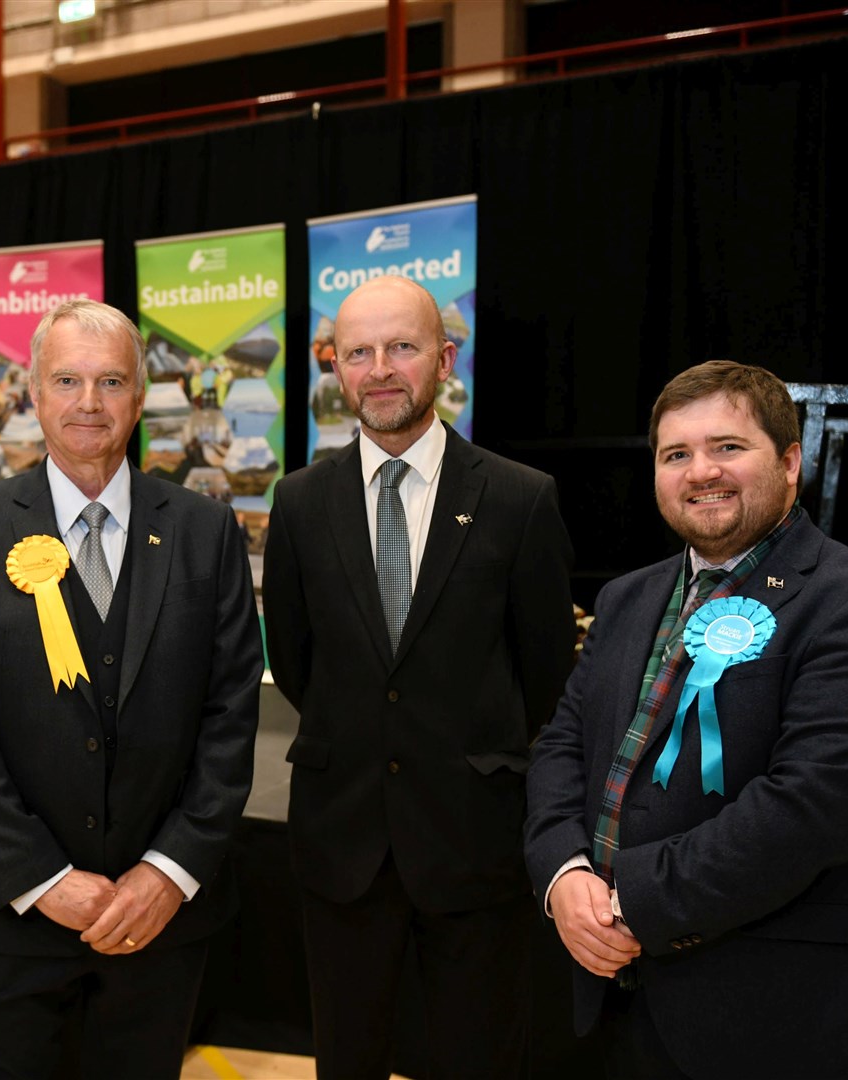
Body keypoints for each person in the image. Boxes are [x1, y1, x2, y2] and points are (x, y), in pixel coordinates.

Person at [525, 360, 848, 1079]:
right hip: (618, 1007)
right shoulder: (627, 598)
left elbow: (808, 811)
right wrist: (563, 875)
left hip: (780, 1023)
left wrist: (629, 905)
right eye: (675, 454)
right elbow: (562, 743)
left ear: (790, 462)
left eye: (727, 447)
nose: (700, 471)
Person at [0, 298, 262, 1078]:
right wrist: (42, 880)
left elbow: (231, 713)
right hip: (5, 917)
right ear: (32, 392)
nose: (88, 403)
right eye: (66, 380)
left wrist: (167, 872)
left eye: (111, 382)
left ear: (141, 398)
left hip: (158, 924)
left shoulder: (206, 532)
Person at [262, 275, 577, 1079]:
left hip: (475, 837)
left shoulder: (519, 498)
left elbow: (544, 670)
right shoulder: (298, 503)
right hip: (342, 840)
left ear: (445, 357)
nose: (379, 369)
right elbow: (297, 663)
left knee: (480, 1056)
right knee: (348, 1055)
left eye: (401, 347)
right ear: (334, 368)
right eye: (357, 352)